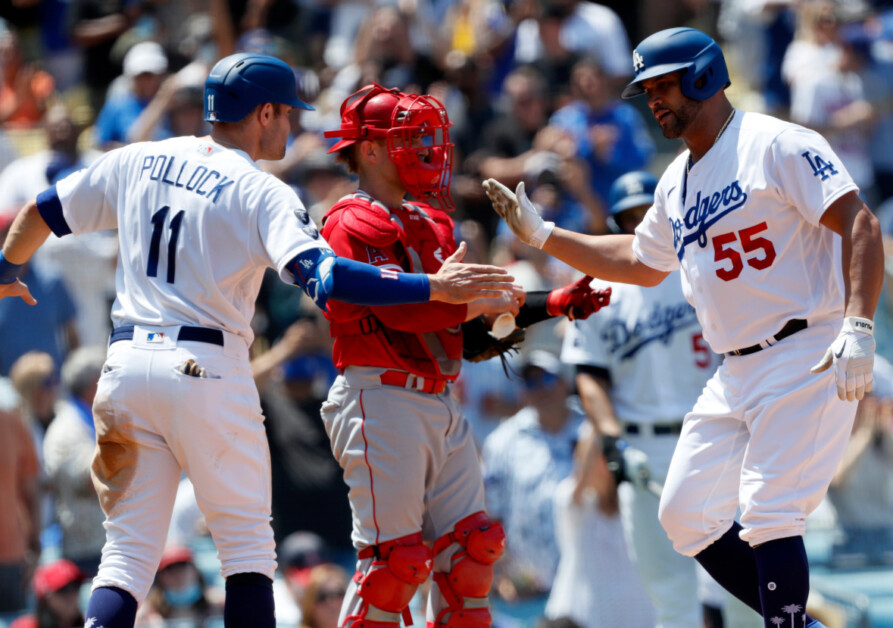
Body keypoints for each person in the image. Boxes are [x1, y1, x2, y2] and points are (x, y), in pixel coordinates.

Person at [0, 53, 514, 628]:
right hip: (204, 367)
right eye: (286, 114)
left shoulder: (140, 157)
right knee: (246, 551)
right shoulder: (259, 189)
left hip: (124, 368)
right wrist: (433, 290)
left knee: (124, 560)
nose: (290, 126)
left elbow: (41, 211)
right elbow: (329, 278)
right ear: (263, 112)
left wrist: (5, 271)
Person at [483, 26, 884, 628]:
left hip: (804, 344)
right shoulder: (677, 179)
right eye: (646, 91)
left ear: (703, 75)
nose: (653, 101)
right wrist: (545, 237)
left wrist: (858, 321)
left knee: (770, 513)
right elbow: (639, 264)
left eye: (663, 86)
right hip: (736, 366)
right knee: (685, 514)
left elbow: (860, 223)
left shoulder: (773, 142)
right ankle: (796, 622)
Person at [319, 82, 611, 628]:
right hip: (380, 396)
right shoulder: (350, 220)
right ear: (370, 148)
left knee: (471, 556)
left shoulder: (432, 223)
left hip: (440, 399)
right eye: (410, 138)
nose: (428, 150)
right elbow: (403, 312)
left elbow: (470, 337)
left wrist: (554, 303)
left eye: (428, 137)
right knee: (394, 567)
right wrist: (467, 299)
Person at [560, 170, 725, 627]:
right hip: (642, 446)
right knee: (669, 591)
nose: (638, 224)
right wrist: (611, 438)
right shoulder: (596, 286)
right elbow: (588, 374)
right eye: (628, 217)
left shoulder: (704, 264)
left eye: (646, 213)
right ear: (614, 224)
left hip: (714, 435)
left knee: (742, 587)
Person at [481, 350, 582, 606]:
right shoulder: (502, 441)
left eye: (546, 379)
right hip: (527, 589)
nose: (540, 389)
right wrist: (501, 572)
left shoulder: (591, 430)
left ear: (564, 382)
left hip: (588, 582)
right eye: (530, 382)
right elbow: (489, 515)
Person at [543, 422, 656, 627]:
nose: (603, 462)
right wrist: (599, 418)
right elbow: (581, 473)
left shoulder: (637, 506)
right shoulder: (575, 505)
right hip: (579, 621)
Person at [43, 345, 108, 576]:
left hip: (106, 542)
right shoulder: (67, 429)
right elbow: (94, 482)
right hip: (87, 549)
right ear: (94, 384)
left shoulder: (95, 417)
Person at [9, 559, 87, 628]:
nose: (72, 595)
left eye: (76, 585)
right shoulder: (25, 626)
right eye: (63, 589)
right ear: (46, 597)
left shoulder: (91, 622)